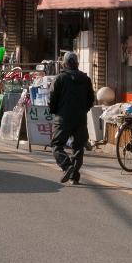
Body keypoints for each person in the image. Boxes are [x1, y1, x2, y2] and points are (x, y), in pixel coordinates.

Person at [49, 52, 94, 185]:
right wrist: (83, 110)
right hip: (80, 118)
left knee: (56, 145)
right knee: (78, 147)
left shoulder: (60, 78)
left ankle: (67, 166)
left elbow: (52, 98)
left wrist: (55, 111)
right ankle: (74, 176)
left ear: (65, 63)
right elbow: (91, 99)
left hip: (63, 118)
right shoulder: (86, 79)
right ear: (77, 63)